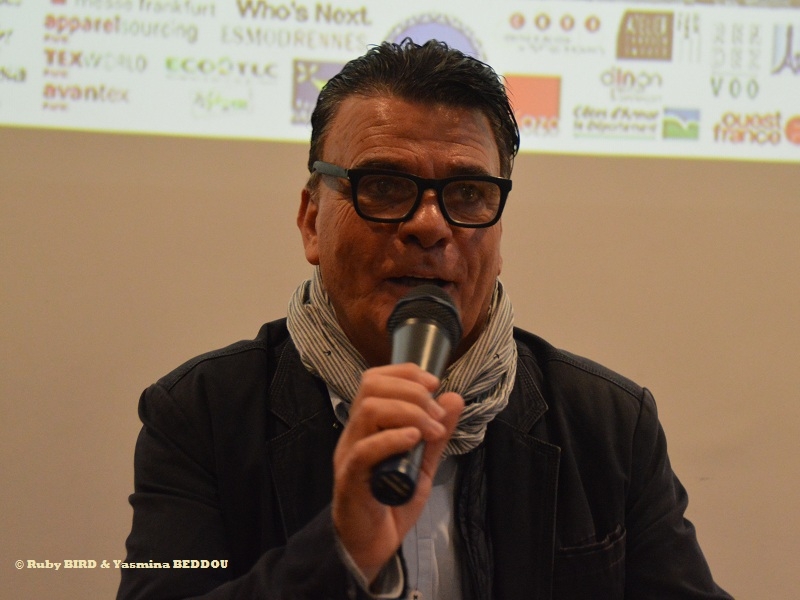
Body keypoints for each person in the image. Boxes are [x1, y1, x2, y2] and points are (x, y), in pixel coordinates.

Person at [118, 39, 732, 599]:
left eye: (468, 194)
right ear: (311, 221)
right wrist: (343, 552)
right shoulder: (202, 413)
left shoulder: (609, 425)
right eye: (384, 186)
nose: (430, 225)